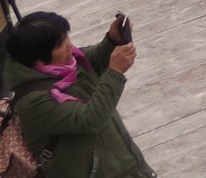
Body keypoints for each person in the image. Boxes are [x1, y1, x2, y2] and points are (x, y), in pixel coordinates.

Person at [2, 11, 153, 178]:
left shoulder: (67, 62)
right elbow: (91, 119)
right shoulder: (33, 102)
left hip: (125, 167)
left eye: (66, 36)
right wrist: (115, 72)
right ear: (38, 59)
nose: (69, 46)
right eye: (60, 44)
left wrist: (112, 40)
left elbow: (93, 60)